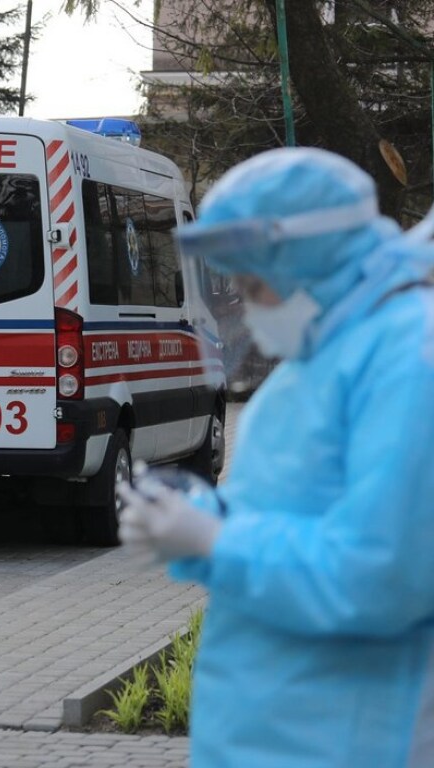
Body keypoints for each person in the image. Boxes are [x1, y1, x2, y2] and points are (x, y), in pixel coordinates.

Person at [117, 148, 434, 767]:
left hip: (354, 737)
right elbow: (295, 508)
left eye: (255, 282)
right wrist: (202, 517)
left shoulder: (408, 362)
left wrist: (215, 540)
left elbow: (383, 579)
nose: (248, 302)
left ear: (310, 259)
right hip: (282, 732)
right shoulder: (322, 356)